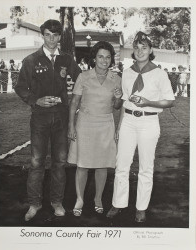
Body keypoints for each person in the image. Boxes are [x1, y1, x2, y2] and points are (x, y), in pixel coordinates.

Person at [15, 19, 81, 221]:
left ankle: (56, 202)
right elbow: (20, 87)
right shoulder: (31, 60)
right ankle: (34, 204)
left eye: (55, 35)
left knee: (59, 162)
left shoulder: (67, 59)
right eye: (47, 35)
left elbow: (81, 80)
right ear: (42, 35)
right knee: (36, 162)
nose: (51, 39)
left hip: (61, 117)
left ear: (60, 37)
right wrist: (36, 100)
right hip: (40, 118)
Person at [106, 31, 175, 222]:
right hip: (128, 121)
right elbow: (121, 104)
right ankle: (118, 203)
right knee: (121, 164)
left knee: (146, 166)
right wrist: (119, 101)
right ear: (133, 51)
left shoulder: (160, 73)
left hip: (149, 121)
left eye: (144, 48)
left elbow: (170, 101)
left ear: (150, 50)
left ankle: (141, 207)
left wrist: (148, 103)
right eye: (136, 48)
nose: (140, 51)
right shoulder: (126, 73)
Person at [67, 41, 122, 216]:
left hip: (106, 124)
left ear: (111, 59)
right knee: (82, 165)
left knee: (102, 165)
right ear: (94, 58)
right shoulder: (83, 76)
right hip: (85, 124)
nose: (104, 61)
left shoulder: (117, 79)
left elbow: (117, 106)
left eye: (108, 57)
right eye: (100, 56)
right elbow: (74, 102)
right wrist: (71, 125)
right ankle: (80, 199)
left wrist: (118, 98)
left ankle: (98, 198)